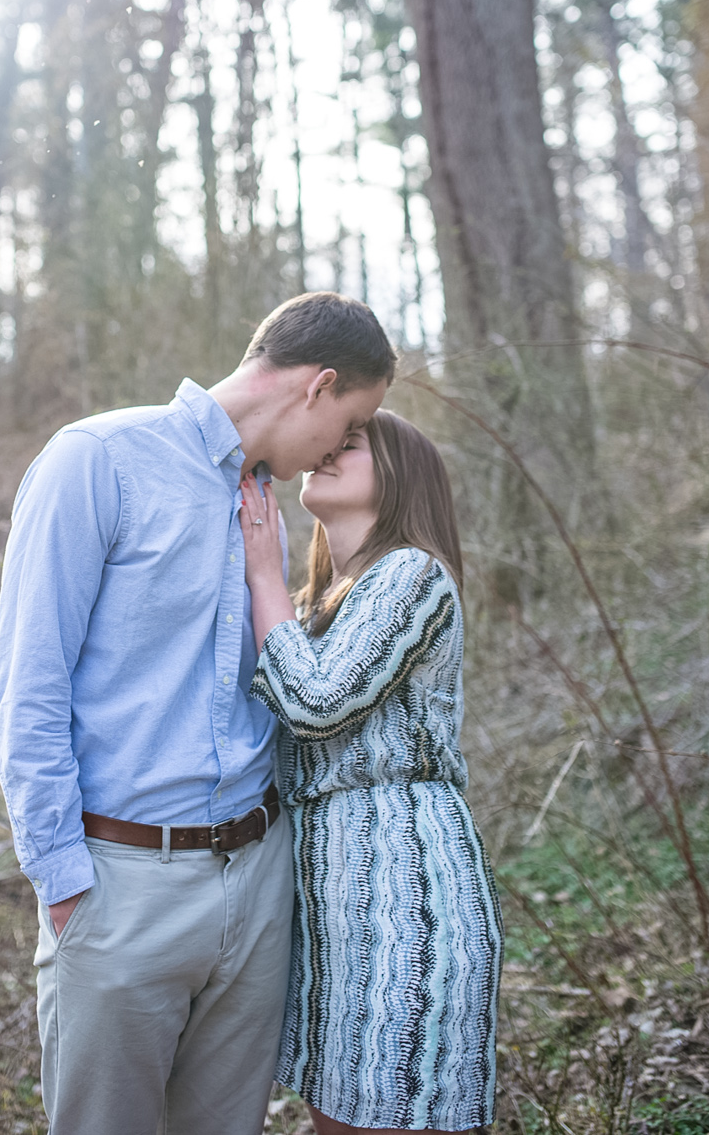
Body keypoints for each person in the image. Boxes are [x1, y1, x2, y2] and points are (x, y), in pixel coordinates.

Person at [0, 291, 395, 1135]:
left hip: (257, 885)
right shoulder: (97, 459)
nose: (337, 449)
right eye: (349, 424)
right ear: (317, 386)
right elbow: (30, 682)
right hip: (122, 884)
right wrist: (63, 880)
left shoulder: (266, 513)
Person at [237, 408, 501, 1135]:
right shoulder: (322, 604)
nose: (326, 451)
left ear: (398, 476)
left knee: (394, 1113)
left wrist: (263, 573)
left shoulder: (413, 573)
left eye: (349, 444)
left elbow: (316, 703)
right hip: (331, 902)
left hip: (407, 891)